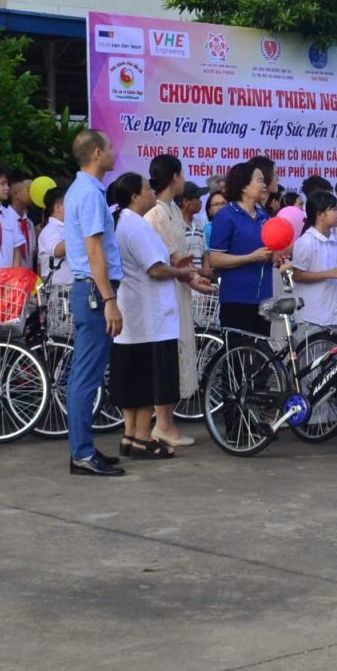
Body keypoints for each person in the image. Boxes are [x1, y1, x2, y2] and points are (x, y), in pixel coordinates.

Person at [110, 172, 197, 459]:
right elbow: (154, 269)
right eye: (147, 189)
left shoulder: (125, 223)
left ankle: (131, 435)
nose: (152, 193)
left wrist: (173, 266)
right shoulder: (136, 227)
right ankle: (144, 437)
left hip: (138, 317)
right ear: (135, 196)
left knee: (132, 378)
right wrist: (180, 272)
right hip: (150, 318)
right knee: (148, 379)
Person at [64, 130, 124, 476]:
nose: (115, 152)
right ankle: (82, 453)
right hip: (93, 292)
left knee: (83, 375)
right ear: (97, 153)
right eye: (111, 147)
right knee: (86, 377)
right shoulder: (88, 193)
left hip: (90, 290)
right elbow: (94, 250)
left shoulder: (86, 191)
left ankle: (82, 448)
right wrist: (109, 299)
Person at [143, 156, 202, 446]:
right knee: (166, 355)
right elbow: (163, 259)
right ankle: (162, 423)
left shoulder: (173, 211)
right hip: (162, 292)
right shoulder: (155, 214)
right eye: (181, 175)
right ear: (174, 177)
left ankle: (167, 420)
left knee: (177, 354)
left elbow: (179, 258)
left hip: (178, 289)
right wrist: (184, 270)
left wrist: (194, 277)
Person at [205, 160, 277, 345]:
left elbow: (269, 250)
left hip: (263, 299)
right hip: (237, 298)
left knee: (260, 358)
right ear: (244, 186)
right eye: (259, 180)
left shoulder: (263, 215)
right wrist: (252, 257)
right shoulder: (226, 215)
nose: (264, 185)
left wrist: (275, 254)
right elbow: (216, 259)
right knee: (238, 359)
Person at [291, 192, 337, 331]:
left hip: (335, 314)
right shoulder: (306, 242)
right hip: (311, 317)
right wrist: (329, 274)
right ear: (320, 215)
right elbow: (297, 276)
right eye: (334, 209)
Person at [39, 184, 70, 284]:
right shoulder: (49, 230)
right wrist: (78, 232)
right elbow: (58, 251)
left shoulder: (66, 227)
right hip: (57, 290)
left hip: (69, 287)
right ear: (58, 208)